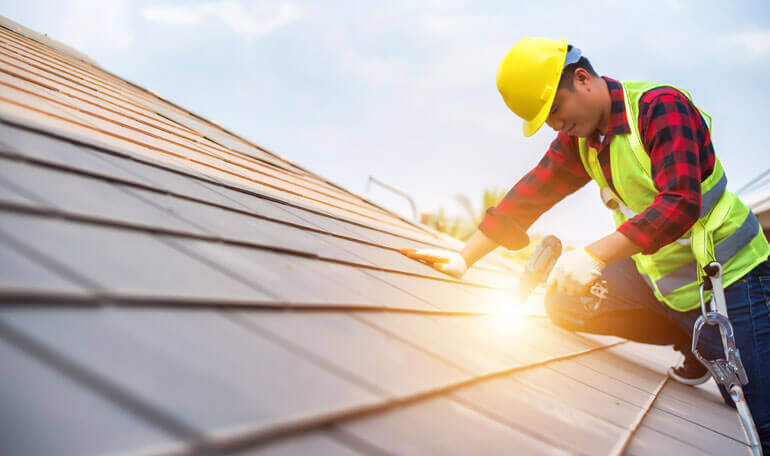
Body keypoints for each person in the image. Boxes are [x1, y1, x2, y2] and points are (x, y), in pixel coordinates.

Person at [406, 38, 770, 450]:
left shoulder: (659, 109)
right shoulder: (584, 138)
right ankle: (689, 338)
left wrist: (595, 255)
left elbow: (680, 205)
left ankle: (706, 342)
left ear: (582, 79)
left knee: (758, 418)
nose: (555, 126)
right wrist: (463, 257)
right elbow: (532, 191)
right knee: (565, 299)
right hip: (662, 284)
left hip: (733, 283)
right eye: (546, 120)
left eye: (556, 110)